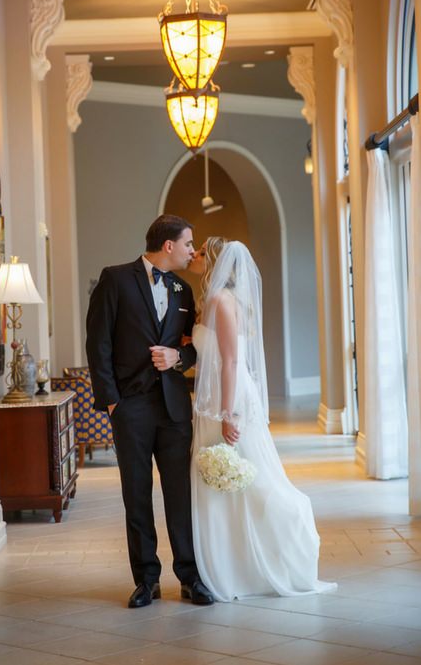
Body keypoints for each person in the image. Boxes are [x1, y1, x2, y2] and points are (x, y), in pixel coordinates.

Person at [188, 237, 336, 601]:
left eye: (201, 251)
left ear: (215, 261)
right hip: (212, 400)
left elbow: (231, 362)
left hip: (228, 399)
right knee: (222, 482)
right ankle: (231, 562)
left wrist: (227, 413)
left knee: (246, 476)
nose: (194, 254)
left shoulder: (222, 301)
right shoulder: (212, 300)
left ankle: (276, 545)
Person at [87, 214, 214, 609]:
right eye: (188, 243)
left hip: (175, 409)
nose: (193, 251)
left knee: (181, 496)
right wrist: (112, 402)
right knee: (136, 496)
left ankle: (190, 578)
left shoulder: (183, 289)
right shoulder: (115, 279)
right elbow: (98, 343)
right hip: (131, 408)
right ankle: (147, 580)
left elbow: (193, 347)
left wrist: (178, 356)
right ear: (168, 245)